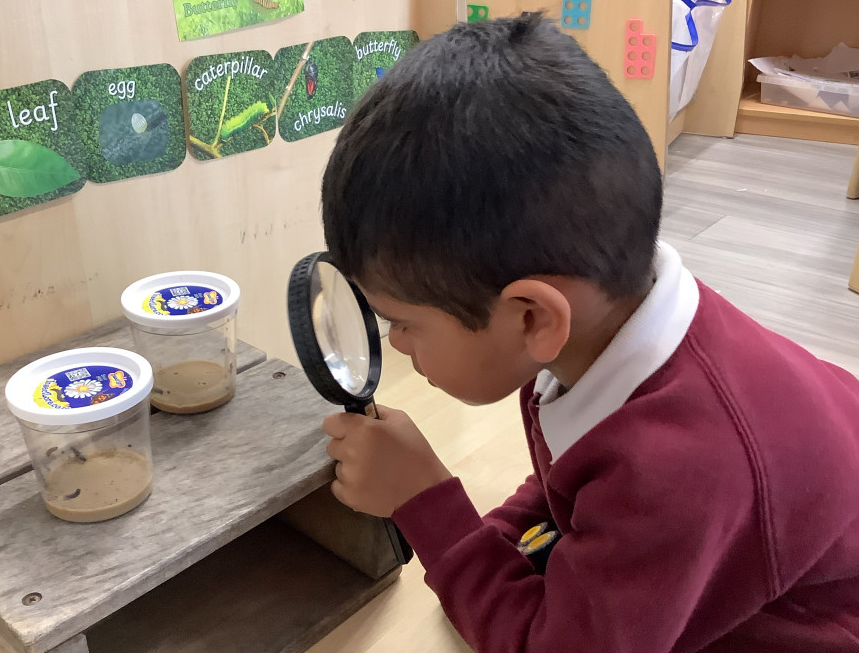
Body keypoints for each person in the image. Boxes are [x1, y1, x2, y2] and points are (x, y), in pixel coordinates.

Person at [319, 12, 859, 653]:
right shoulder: (611, 324)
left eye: (403, 323)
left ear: (531, 317)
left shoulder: (675, 472)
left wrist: (431, 508)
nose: (398, 345)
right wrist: (489, 542)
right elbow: (573, 480)